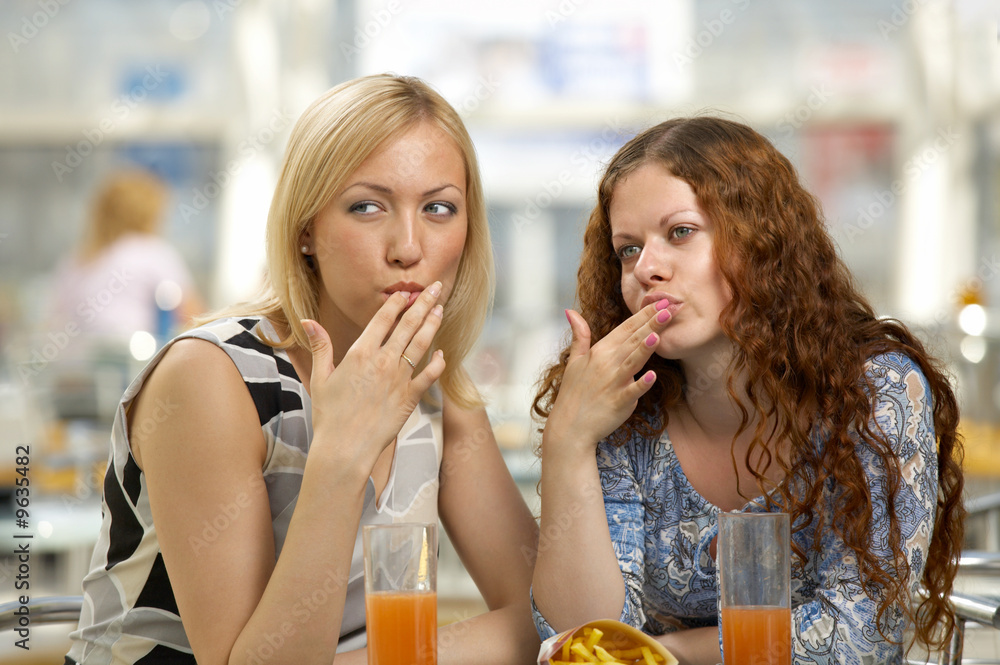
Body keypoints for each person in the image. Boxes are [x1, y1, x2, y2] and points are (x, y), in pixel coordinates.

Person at [65, 74, 540, 665]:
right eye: (368, 206)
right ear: (306, 229)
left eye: (439, 208)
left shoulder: (434, 384)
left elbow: (551, 620)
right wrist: (341, 455)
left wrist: (570, 442)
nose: (408, 247)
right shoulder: (212, 377)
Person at [528, 116, 964, 664]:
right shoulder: (623, 405)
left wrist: (673, 652)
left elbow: (862, 634)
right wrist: (567, 441)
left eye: (680, 233)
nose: (647, 269)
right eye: (628, 250)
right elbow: (584, 638)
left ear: (761, 240)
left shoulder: (877, 391)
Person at [49, 168, 205, 349]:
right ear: (150, 214)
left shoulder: (75, 261)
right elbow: (194, 317)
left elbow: (55, 320)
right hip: (131, 362)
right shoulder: (152, 252)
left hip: (78, 366)